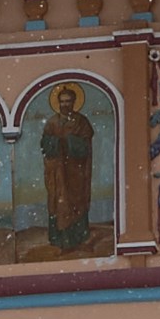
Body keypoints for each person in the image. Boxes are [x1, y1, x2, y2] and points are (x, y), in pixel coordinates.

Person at [38, 77, 98, 250]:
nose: (65, 105)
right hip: (56, 171)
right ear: (58, 103)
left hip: (75, 171)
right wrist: (54, 143)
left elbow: (86, 144)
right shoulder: (52, 122)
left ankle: (77, 236)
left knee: (75, 200)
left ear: (74, 102)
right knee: (57, 200)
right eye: (62, 101)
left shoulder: (81, 121)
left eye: (68, 101)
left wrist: (69, 142)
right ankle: (59, 237)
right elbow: (45, 143)